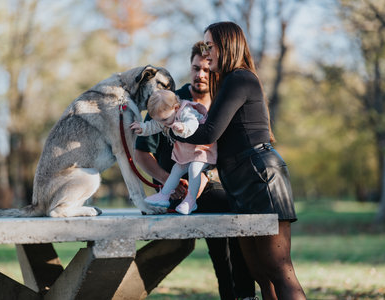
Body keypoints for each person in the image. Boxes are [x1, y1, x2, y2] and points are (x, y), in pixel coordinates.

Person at [171, 22, 307, 299]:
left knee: (279, 270)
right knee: (258, 272)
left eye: (211, 46)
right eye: (205, 46)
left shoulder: (240, 79)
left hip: (261, 179)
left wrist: (171, 127)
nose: (206, 53)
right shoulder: (227, 82)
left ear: (227, 45)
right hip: (240, 183)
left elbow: (209, 133)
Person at [134, 41, 257, 299]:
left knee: (237, 223)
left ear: (216, 70)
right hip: (182, 188)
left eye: (207, 69)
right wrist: (170, 182)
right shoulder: (168, 103)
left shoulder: (225, 104)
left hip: (217, 184)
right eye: (195, 68)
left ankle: (244, 294)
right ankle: (236, 294)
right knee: (222, 251)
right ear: (189, 68)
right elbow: (141, 154)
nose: (200, 74)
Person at [130, 89, 217, 215]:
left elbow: (192, 122)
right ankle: (164, 195)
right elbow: (154, 125)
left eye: (164, 120)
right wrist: (142, 128)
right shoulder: (166, 117)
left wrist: (183, 127)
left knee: (194, 169)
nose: (163, 124)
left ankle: (190, 201)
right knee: (176, 169)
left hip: (201, 150)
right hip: (187, 151)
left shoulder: (186, 110)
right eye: (160, 120)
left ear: (176, 108)